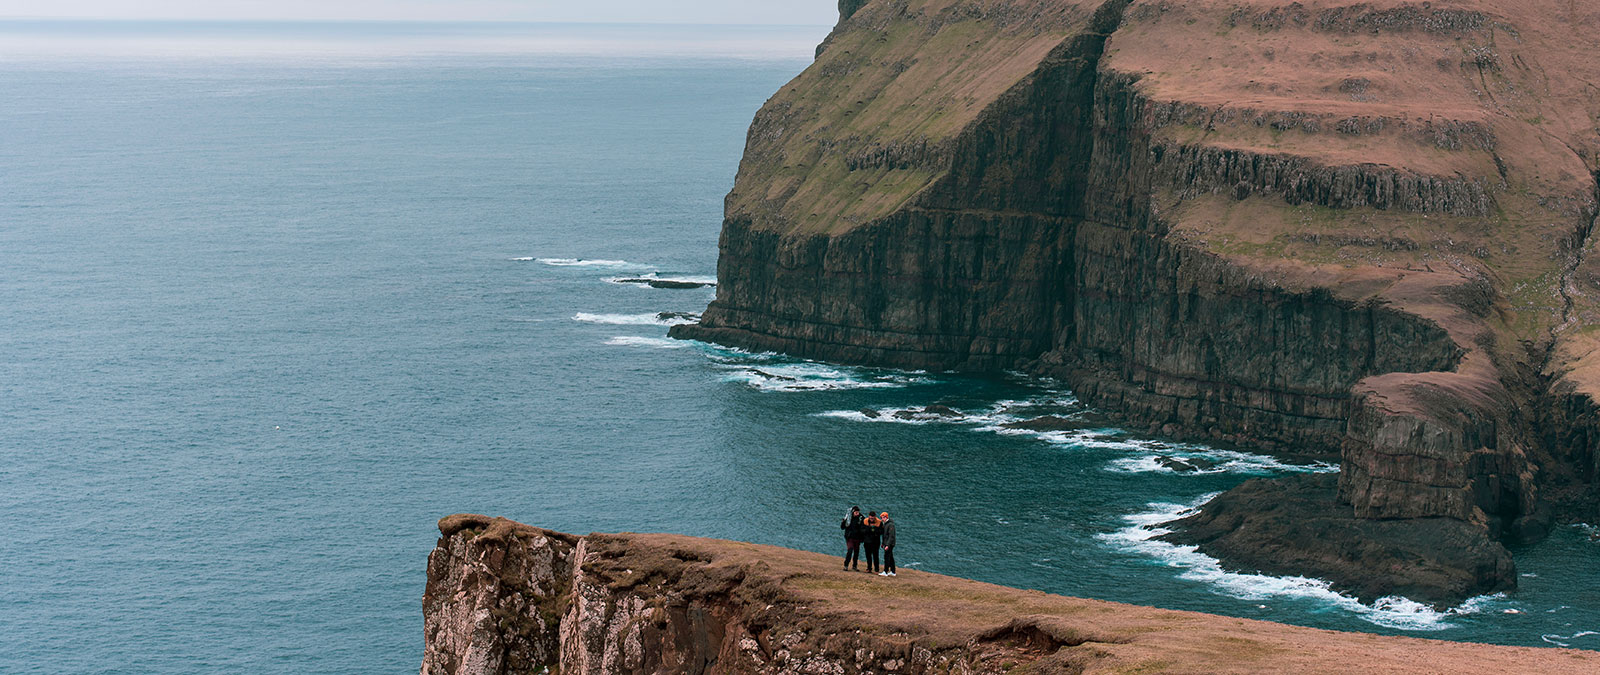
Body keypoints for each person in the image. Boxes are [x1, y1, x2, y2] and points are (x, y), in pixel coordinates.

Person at [840, 506, 864, 571]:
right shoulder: (848, 518)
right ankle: (846, 565)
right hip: (850, 537)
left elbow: (863, 528)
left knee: (856, 552)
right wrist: (843, 522)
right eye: (856, 512)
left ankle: (854, 566)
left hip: (857, 538)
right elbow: (842, 527)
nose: (857, 514)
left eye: (858, 512)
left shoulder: (861, 518)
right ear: (853, 512)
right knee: (850, 550)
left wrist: (862, 538)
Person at [878, 512, 896, 576]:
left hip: (889, 544)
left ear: (886, 517)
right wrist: (883, 543)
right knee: (890, 557)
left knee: (887, 557)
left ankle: (885, 571)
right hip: (887, 543)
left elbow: (891, 536)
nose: (882, 519)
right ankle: (893, 571)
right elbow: (884, 535)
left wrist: (887, 545)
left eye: (883, 518)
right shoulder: (886, 524)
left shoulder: (890, 525)